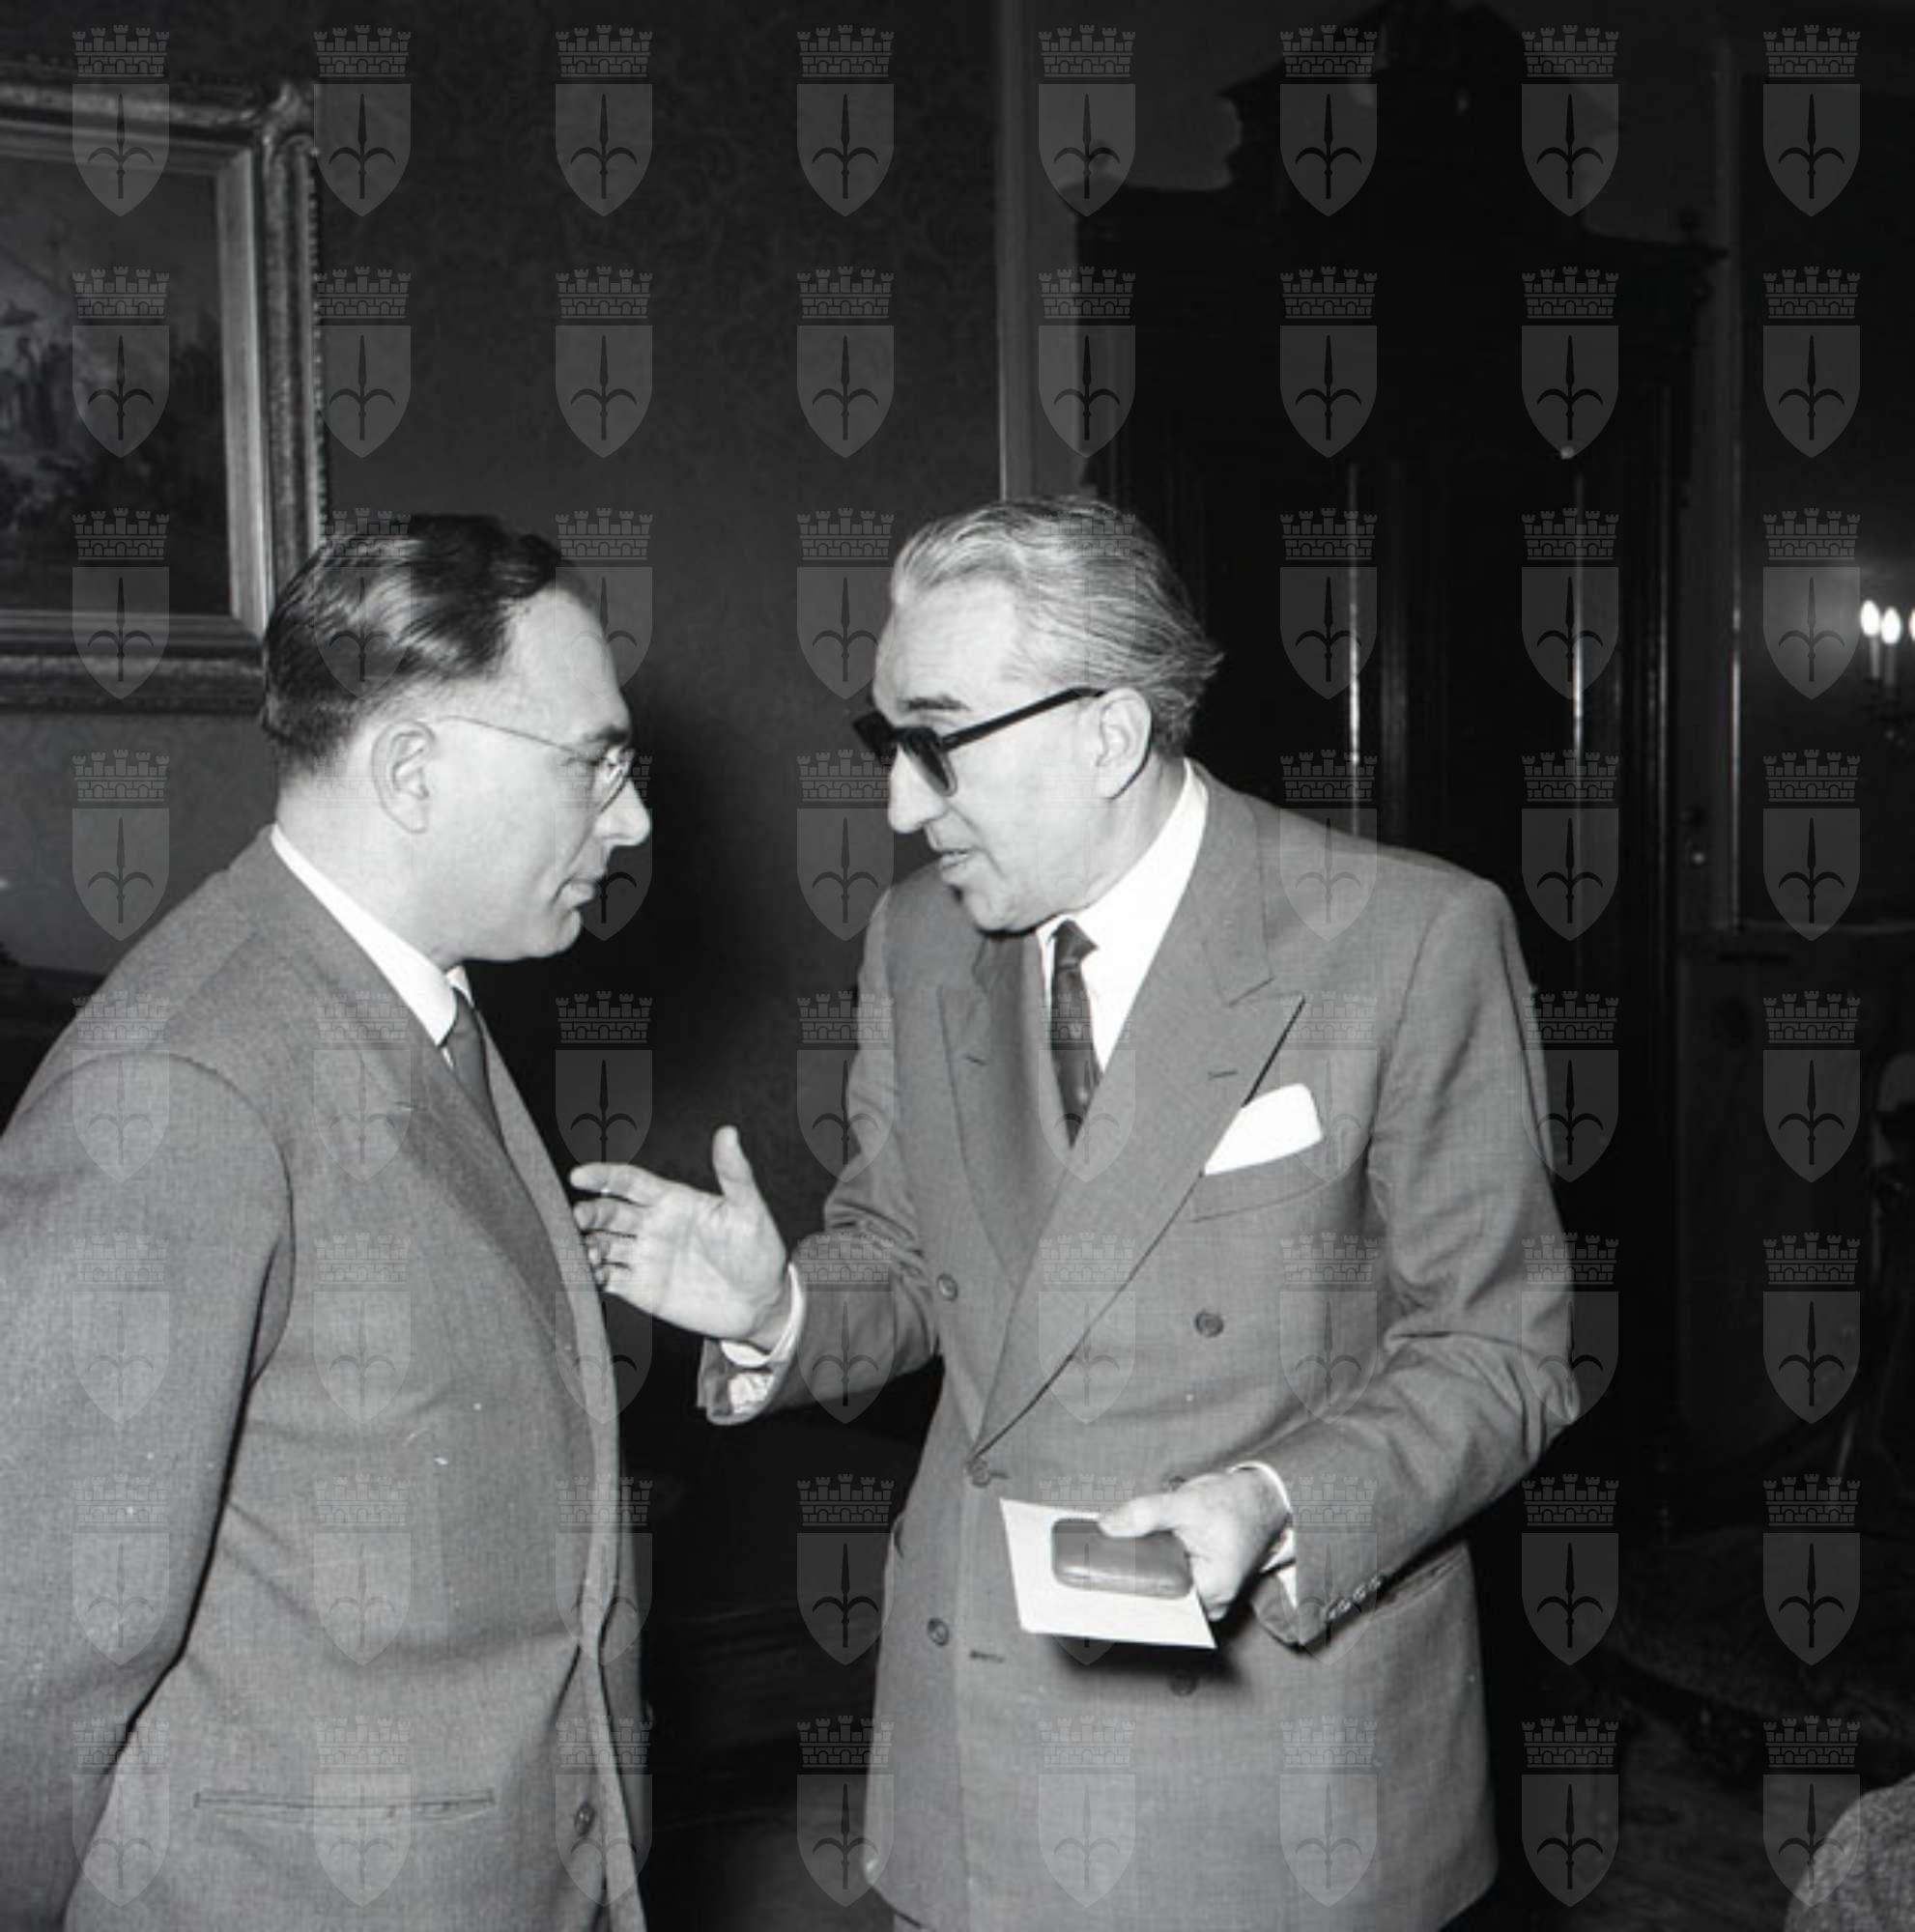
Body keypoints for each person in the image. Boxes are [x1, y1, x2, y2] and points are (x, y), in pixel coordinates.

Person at [574, 494, 1579, 1931]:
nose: (899, 806)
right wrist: (779, 1308)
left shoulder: (1404, 940)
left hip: (1279, 1747)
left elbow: (1499, 1352)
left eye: (937, 743)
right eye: (883, 743)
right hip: (985, 1722)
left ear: (1108, 735)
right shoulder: (919, 942)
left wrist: (1276, 1501)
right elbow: (908, 1258)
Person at [0, 515, 652, 1929]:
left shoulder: (414, 1000)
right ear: (413, 770)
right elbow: (37, 1663)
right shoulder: (180, 1087)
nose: (631, 820)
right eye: (592, 764)